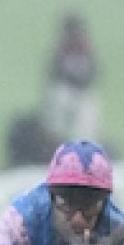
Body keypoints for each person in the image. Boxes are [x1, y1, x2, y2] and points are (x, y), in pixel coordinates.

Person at [40, 10, 101, 145]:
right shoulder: (61, 48)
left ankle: (85, 149)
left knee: (88, 120)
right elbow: (53, 72)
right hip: (64, 90)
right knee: (58, 105)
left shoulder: (86, 48)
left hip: (83, 92)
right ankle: (54, 145)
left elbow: (94, 73)